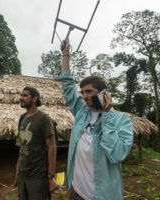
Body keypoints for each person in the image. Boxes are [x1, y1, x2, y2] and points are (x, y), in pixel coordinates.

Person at [55, 39, 133, 200]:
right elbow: (68, 87)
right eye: (82, 92)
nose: (84, 96)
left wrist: (108, 115)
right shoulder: (82, 111)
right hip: (77, 190)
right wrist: (65, 54)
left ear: (103, 93)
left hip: (101, 195)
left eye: (89, 92)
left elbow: (117, 155)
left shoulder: (121, 120)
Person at [15, 86, 57, 200]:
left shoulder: (43, 118)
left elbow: (52, 147)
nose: (21, 98)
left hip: (38, 176)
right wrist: (18, 169)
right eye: (21, 95)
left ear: (34, 99)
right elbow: (22, 146)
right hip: (23, 175)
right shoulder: (22, 118)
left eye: (25, 95)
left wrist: (51, 176)